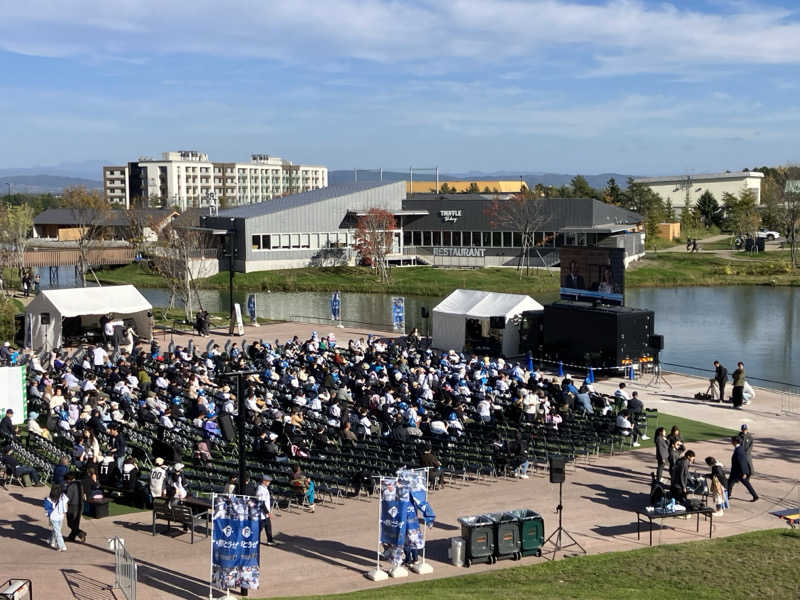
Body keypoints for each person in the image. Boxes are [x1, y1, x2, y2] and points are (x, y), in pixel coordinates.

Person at [727, 435, 758, 502]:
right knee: (730, 483)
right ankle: (728, 495)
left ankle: (755, 496)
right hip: (736, 471)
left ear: (735, 442)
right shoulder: (740, 448)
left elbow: (742, 462)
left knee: (745, 484)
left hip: (739, 472)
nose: (731, 442)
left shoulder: (738, 450)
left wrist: (744, 473)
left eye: (732, 441)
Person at [46, 483, 69, 551]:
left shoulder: (63, 496)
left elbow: (65, 502)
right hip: (53, 518)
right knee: (58, 532)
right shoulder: (49, 499)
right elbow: (47, 510)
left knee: (56, 530)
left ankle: (51, 541)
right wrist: (49, 519)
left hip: (60, 516)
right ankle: (61, 545)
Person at [64, 472, 86, 543]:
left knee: (70, 523)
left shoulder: (70, 486)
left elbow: (67, 498)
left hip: (73, 506)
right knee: (75, 523)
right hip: (80, 505)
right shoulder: (80, 484)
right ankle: (72, 537)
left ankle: (80, 533)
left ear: (69, 480)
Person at [256, 474, 276, 545]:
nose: (269, 483)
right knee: (259, 529)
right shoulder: (261, 489)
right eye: (268, 481)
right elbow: (261, 503)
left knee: (268, 527)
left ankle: (270, 540)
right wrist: (268, 513)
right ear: (264, 481)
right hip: (262, 514)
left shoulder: (265, 488)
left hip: (265, 513)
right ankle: (254, 540)